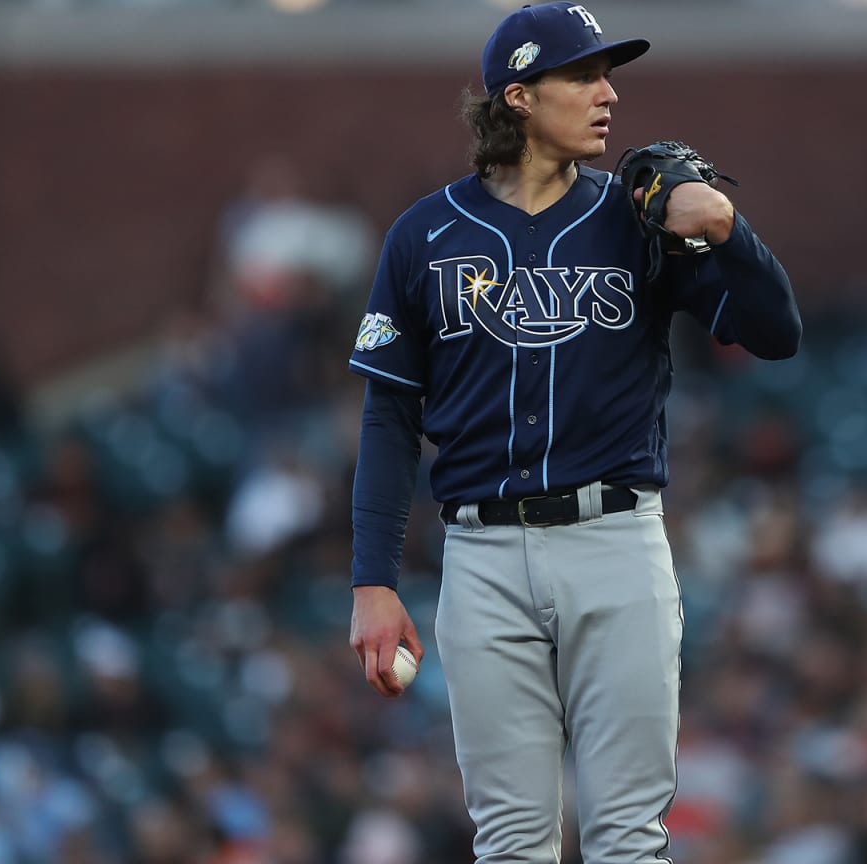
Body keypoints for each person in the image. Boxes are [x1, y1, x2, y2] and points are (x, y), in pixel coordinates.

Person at [344, 3, 800, 862]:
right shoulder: (423, 235)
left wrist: (731, 233)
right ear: (518, 97)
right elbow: (388, 414)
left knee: (627, 837)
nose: (608, 94)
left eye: (608, 74)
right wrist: (373, 580)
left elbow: (777, 335)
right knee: (513, 842)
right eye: (583, 76)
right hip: (480, 557)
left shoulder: (639, 219)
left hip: (617, 541)